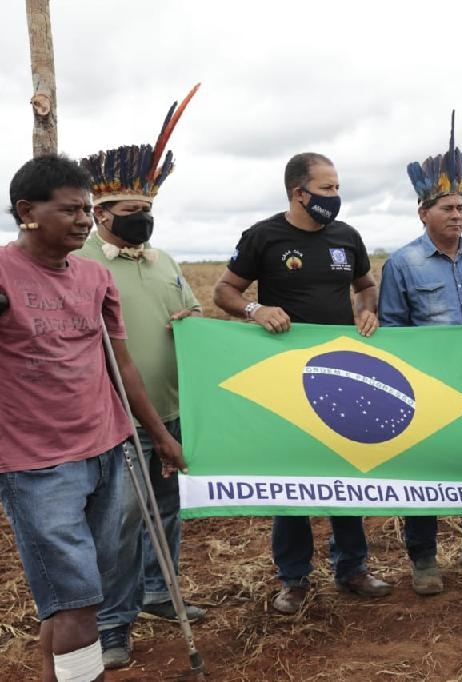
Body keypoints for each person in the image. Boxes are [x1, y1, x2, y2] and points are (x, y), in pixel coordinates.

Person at [1, 154, 185, 681]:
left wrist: (157, 435)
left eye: (87, 210)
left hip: (109, 449)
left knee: (77, 598)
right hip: (36, 466)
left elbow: (121, 364)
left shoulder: (94, 276)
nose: (84, 219)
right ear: (26, 212)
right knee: (79, 603)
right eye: (71, 210)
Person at [213, 152, 392, 615]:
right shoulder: (263, 237)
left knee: (346, 468)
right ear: (299, 193)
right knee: (291, 478)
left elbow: (365, 285)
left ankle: (352, 567)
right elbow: (223, 291)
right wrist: (255, 310)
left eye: (337, 188)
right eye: (328, 189)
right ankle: (294, 579)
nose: (337, 197)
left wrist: (367, 309)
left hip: (341, 374)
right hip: (286, 379)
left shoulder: (346, 236)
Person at [76, 88, 206, 670]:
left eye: (147, 209)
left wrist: (193, 321)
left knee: (168, 507)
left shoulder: (166, 261)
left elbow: (194, 313)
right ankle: (112, 622)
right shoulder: (79, 263)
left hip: (172, 408)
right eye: (131, 211)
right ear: (102, 214)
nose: (142, 220)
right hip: (113, 417)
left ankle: (160, 590)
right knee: (123, 519)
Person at [378, 116, 462, 595]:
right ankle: (423, 559)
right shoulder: (402, 263)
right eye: (447, 207)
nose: (457, 215)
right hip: (425, 386)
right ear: (423, 213)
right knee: (426, 465)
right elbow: (392, 328)